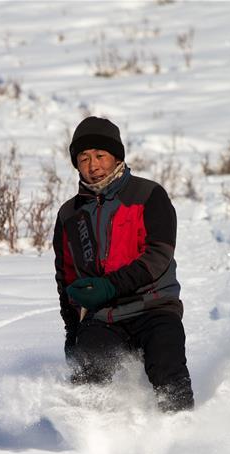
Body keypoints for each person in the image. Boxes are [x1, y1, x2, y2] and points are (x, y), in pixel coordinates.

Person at [53, 116, 194, 413]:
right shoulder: (69, 214)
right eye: (84, 157)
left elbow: (159, 255)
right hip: (103, 317)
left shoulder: (149, 195)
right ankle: (92, 443)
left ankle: (183, 432)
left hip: (154, 306)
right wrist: (71, 330)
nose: (93, 165)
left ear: (117, 156)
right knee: (87, 377)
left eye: (100, 155)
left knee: (168, 370)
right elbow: (65, 276)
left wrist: (110, 285)